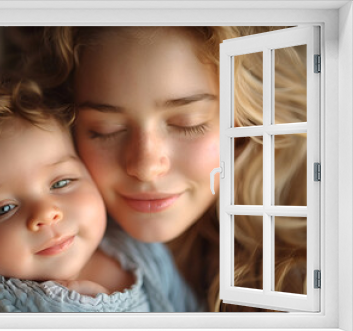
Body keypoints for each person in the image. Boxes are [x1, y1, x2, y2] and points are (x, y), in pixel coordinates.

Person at [19, 26, 308, 312]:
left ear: (243, 126)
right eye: (105, 130)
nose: (145, 167)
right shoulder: (27, 261)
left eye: (187, 123)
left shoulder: (303, 285)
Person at [0, 77, 197, 312]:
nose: (46, 214)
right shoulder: (5, 304)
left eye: (62, 182)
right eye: (3, 209)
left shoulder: (137, 247)